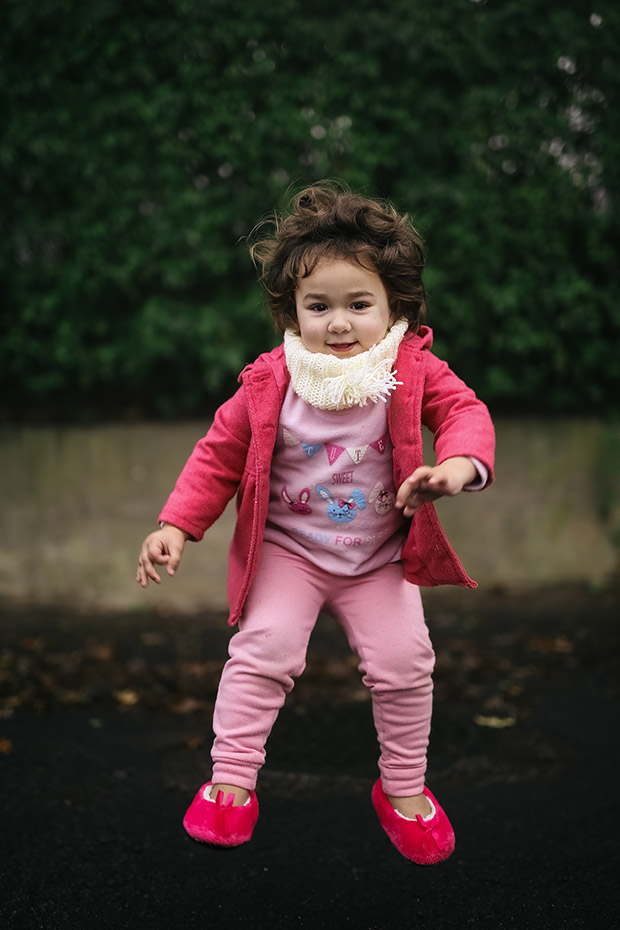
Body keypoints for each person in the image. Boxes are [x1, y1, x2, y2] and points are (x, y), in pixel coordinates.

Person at [136, 181, 495, 865]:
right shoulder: (271, 380)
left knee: (406, 664)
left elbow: (464, 413)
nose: (338, 323)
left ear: (394, 307)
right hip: (288, 552)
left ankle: (404, 790)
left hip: (378, 558)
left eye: (359, 305)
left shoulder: (410, 369)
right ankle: (231, 783)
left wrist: (458, 467)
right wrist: (175, 526)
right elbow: (217, 456)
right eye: (318, 306)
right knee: (264, 649)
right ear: (291, 311)